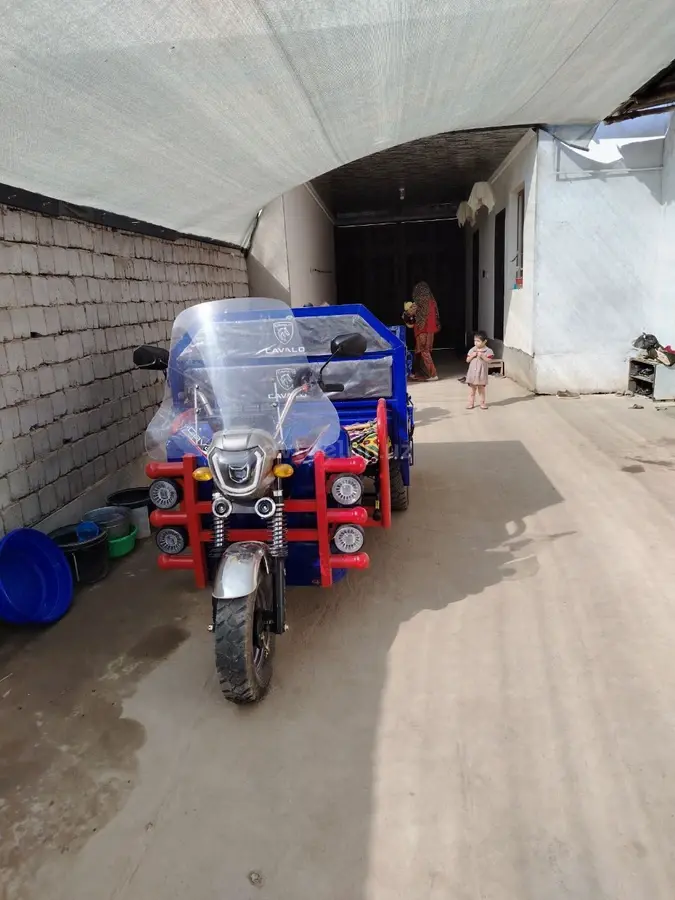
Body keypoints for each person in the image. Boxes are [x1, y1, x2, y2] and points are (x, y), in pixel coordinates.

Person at [409, 282, 440, 381]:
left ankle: (433, 374)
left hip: (422, 331)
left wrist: (408, 311)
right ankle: (414, 372)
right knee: (418, 351)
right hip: (430, 331)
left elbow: (409, 314)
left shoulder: (418, 303)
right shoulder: (432, 302)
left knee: (424, 351)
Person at [466, 330, 494, 409]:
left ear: (484, 341)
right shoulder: (472, 350)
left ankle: (482, 403)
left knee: (481, 390)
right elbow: (467, 360)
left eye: (478, 341)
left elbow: (489, 361)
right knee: (472, 390)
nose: (476, 343)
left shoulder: (488, 351)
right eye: (475, 341)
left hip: (481, 374)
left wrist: (482, 356)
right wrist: (472, 356)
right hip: (472, 374)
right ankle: (471, 403)